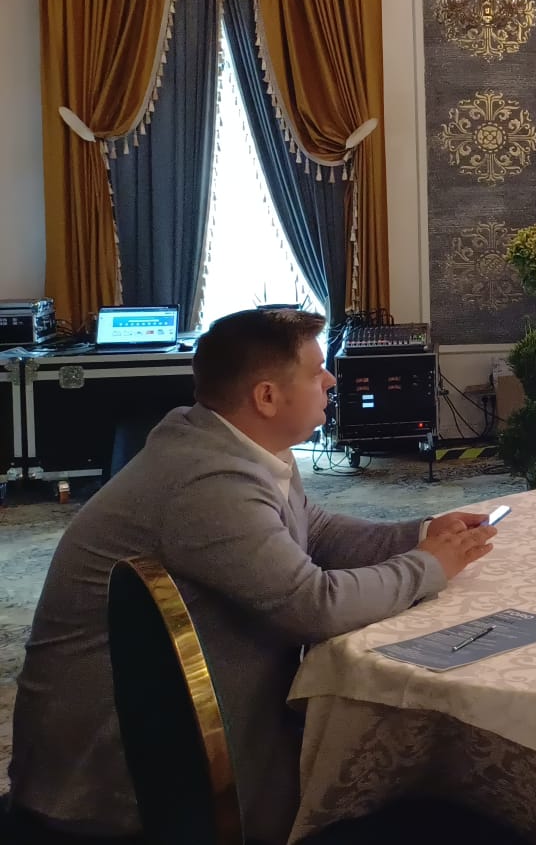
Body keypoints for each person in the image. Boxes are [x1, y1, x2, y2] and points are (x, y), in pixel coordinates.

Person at [6, 308, 498, 845]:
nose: (331, 380)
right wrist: (428, 565)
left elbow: (315, 530)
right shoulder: (206, 480)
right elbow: (314, 607)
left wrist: (420, 532)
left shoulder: (234, 444)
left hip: (169, 733)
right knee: (442, 806)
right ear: (266, 397)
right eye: (315, 371)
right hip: (118, 787)